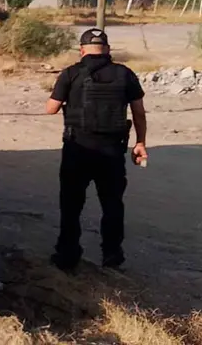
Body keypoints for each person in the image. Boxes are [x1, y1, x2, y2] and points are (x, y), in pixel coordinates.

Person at [45, 27, 148, 271]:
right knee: (112, 205)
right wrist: (140, 142)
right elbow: (139, 112)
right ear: (108, 50)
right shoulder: (125, 74)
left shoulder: (71, 73)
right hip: (112, 151)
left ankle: (67, 255)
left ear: (82, 50)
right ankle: (112, 255)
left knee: (71, 205)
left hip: (77, 150)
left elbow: (51, 109)